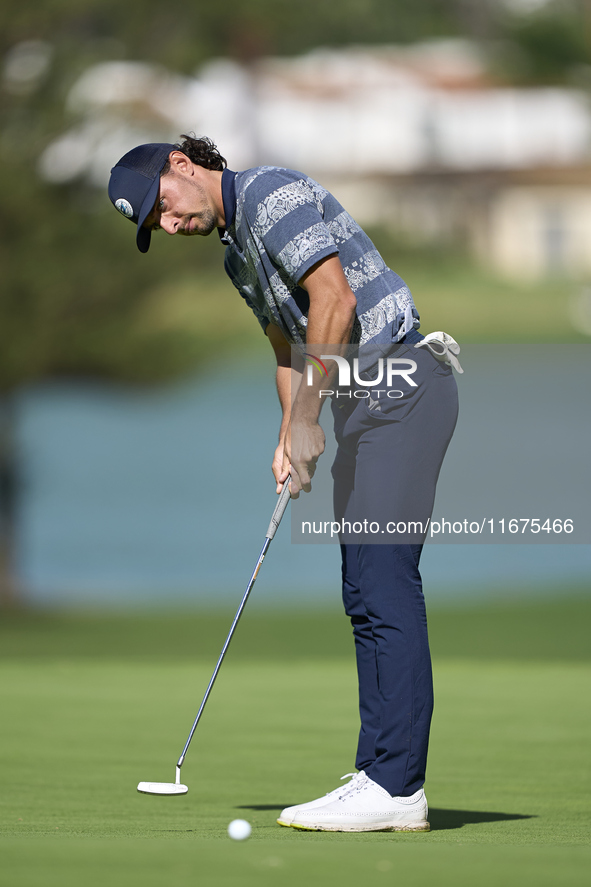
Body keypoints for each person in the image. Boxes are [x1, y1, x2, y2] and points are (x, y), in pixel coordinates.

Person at [108, 135, 460, 832]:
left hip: (403, 383)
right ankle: (379, 773)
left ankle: (396, 784)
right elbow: (284, 343)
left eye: (165, 208)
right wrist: (286, 436)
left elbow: (333, 298)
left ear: (182, 165)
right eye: (157, 226)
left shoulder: (272, 193)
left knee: (384, 580)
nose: (171, 225)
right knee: (363, 587)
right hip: (366, 400)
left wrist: (307, 416)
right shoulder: (236, 250)